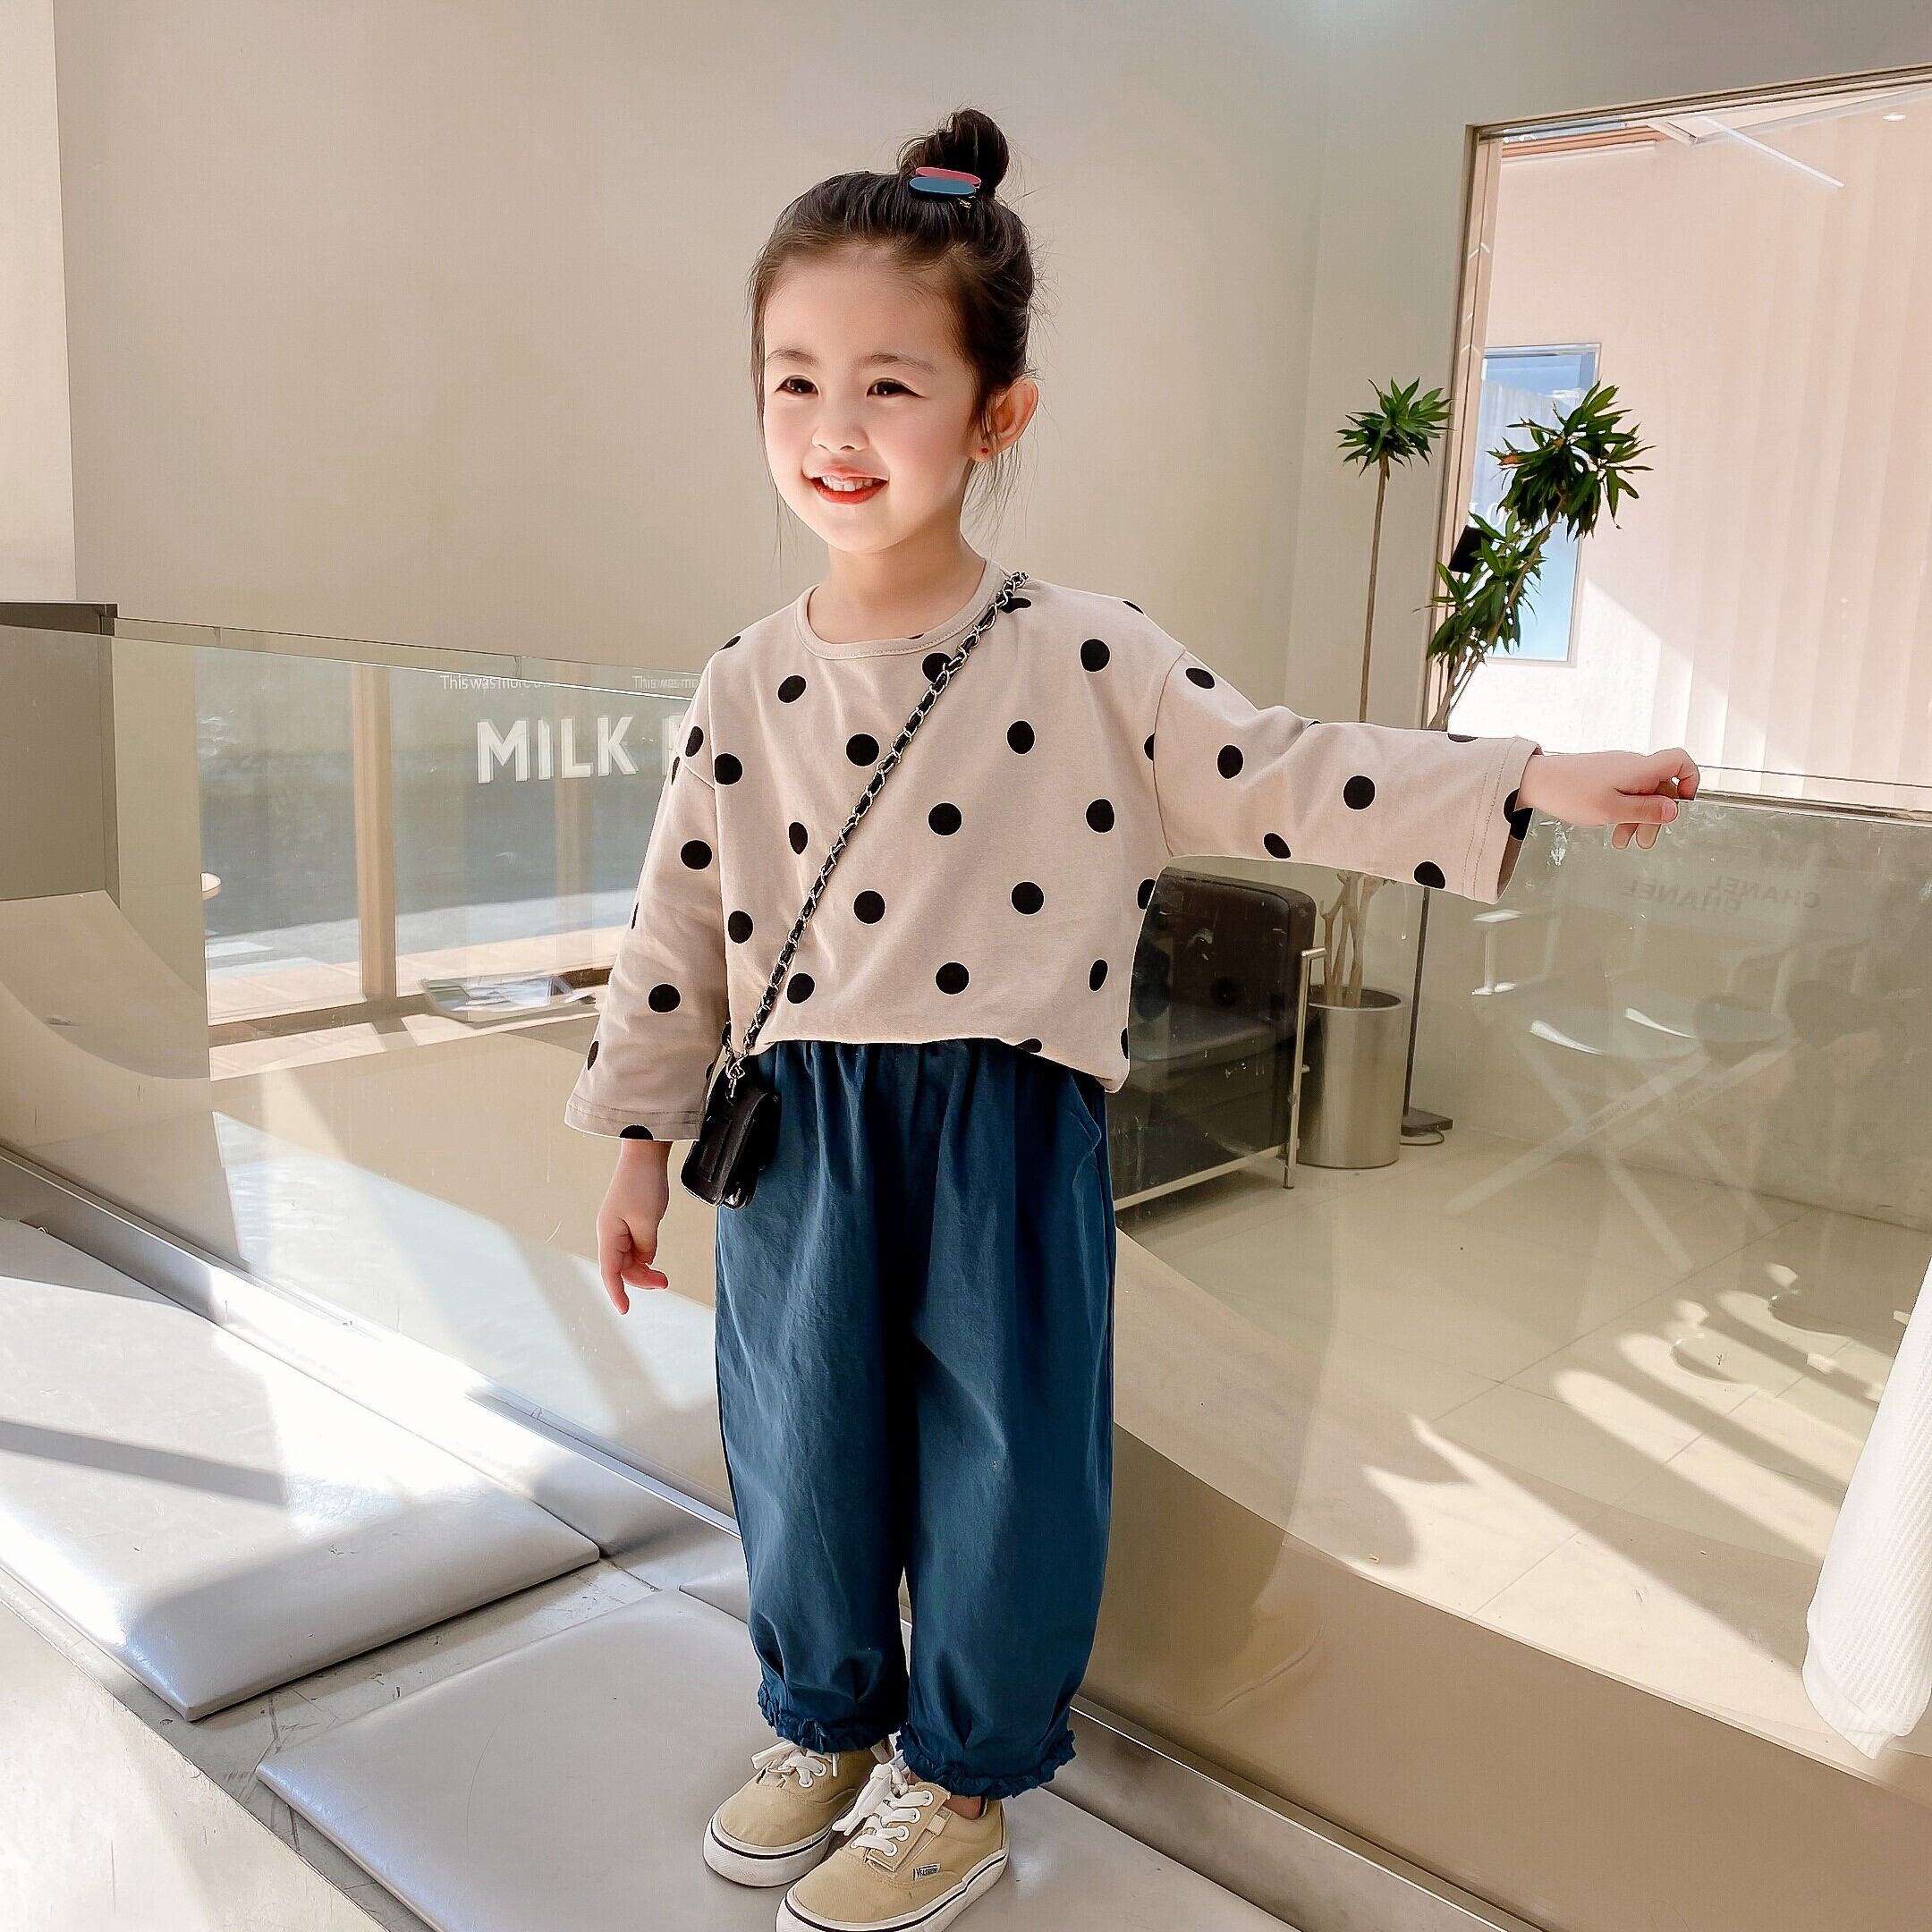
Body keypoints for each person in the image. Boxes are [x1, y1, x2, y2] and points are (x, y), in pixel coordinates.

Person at [566, 106, 1699, 1932]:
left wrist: (1524, 777)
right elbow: (677, 923)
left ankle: (961, 1778)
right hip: (798, 1138)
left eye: (888, 384)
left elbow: (1288, 771)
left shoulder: (1085, 655)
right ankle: (826, 1721)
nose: (835, 428)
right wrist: (638, 1145)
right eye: (794, 382)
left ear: (997, 412)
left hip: (1004, 1131)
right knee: (798, 1446)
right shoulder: (742, 679)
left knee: (1008, 1467)